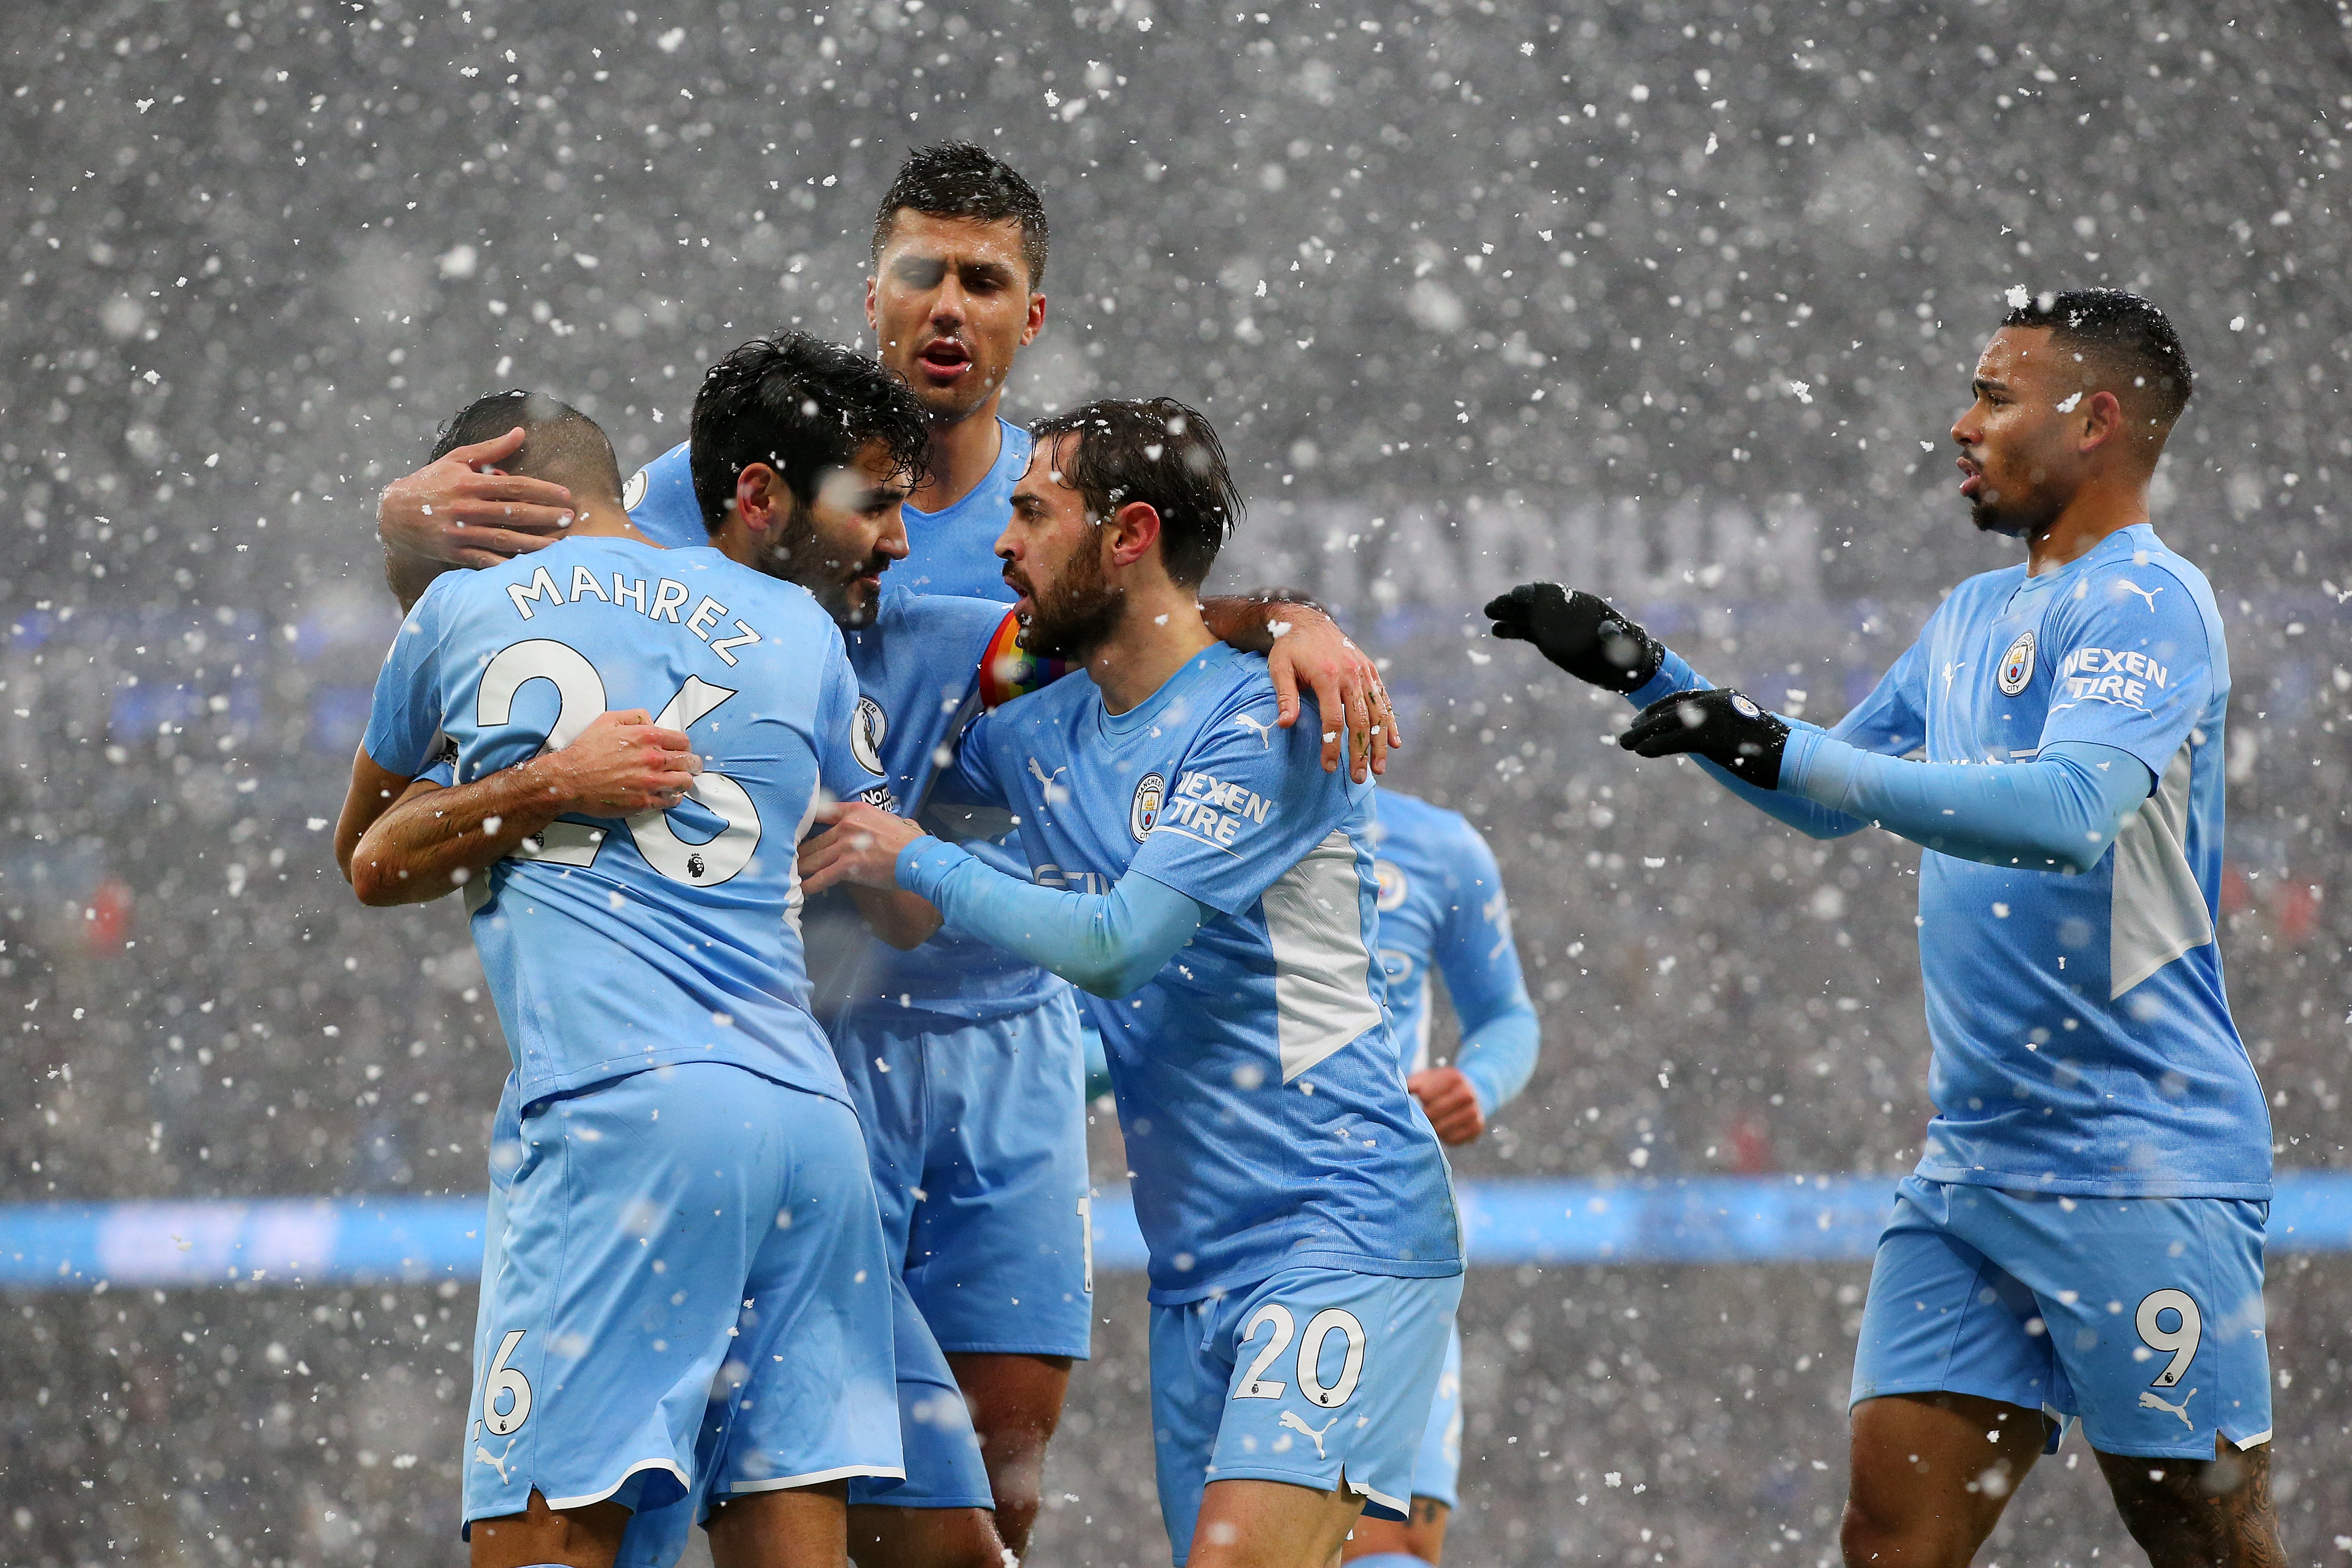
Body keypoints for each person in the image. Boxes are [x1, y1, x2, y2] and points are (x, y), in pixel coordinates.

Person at [373, 144, 1395, 1568]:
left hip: (996, 1023)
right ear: (874, 294)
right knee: (750, 1467)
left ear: (1029, 319)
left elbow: (1155, 613)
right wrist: (406, 531)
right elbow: (517, 585)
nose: (950, 305)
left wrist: (1286, 618)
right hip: (796, 1028)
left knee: (990, 1482)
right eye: (924, 272)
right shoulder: (706, 491)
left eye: (986, 281)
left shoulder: (1050, 509)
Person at [1486, 289, 2281, 1568]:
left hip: (2143, 1158)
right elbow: (1824, 800)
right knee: (1888, 1540)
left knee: (2198, 1532)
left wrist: (1768, 737)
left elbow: (2072, 811)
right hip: (1974, 1167)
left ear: (2099, 418)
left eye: (1993, 394)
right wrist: (1656, 676)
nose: (1961, 424)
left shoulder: (2151, 602)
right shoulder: (1969, 616)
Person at [801, 398, 1463, 1568]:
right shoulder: (1035, 730)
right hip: (1192, 1266)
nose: (1002, 542)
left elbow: (1117, 944)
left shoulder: (1265, 715)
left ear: (1128, 534)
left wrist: (916, 854)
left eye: (1031, 512)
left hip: (1340, 1222)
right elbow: (909, 908)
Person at [331, 390, 912, 1568]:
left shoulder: (459, 608)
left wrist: (543, 783)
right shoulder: (795, 626)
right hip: (807, 1129)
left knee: (542, 1537)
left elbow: (372, 857)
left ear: (480, 486)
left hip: (625, 1116)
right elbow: (880, 857)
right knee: (788, 1537)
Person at [1344, 791, 1539, 1568]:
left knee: (1392, 1548)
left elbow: (1507, 1018)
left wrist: (1476, 1083)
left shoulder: (1434, 845)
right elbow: (1096, 1017)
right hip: (1226, 1242)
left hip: (1386, 1238)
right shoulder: (1177, 821)